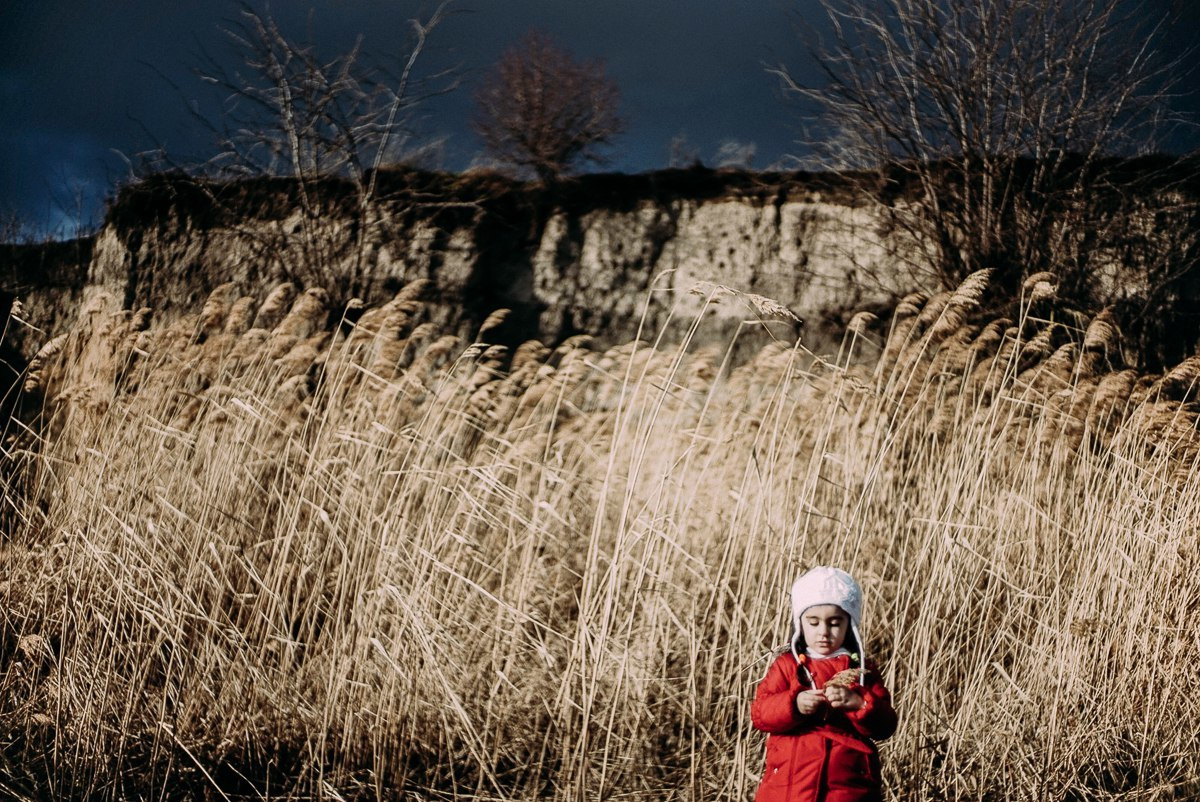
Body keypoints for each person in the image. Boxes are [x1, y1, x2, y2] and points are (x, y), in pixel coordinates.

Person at [751, 566, 898, 802]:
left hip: (847, 786)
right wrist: (793, 704)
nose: (823, 632)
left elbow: (886, 725)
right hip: (790, 785)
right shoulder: (787, 665)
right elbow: (760, 713)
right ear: (800, 622)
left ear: (849, 624)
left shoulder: (861, 670)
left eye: (834, 623)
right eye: (813, 622)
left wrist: (859, 703)